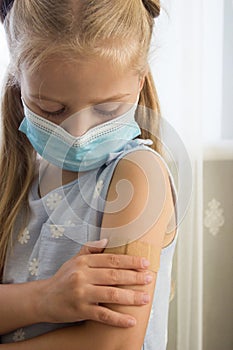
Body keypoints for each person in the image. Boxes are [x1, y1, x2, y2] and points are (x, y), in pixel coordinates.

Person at [0, 0, 178, 349]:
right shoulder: (13, 177)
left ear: (139, 83)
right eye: (51, 109)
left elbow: (114, 343)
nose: (78, 134)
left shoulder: (138, 177)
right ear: (19, 84)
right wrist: (45, 298)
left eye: (107, 109)